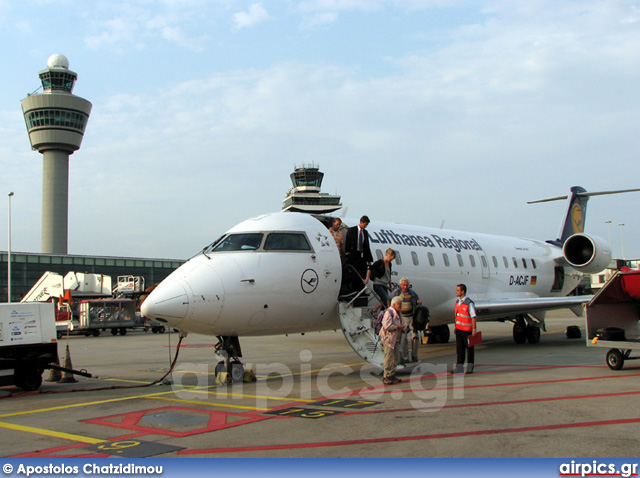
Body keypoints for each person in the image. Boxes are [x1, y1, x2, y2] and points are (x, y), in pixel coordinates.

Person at [390, 278, 422, 363]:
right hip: (402, 318)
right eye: (403, 285)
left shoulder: (412, 293)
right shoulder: (396, 293)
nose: (405, 287)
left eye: (406, 285)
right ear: (400, 285)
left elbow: (417, 301)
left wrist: (419, 303)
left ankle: (414, 355)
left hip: (411, 317)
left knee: (415, 337)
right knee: (404, 339)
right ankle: (405, 357)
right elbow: (390, 299)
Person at [451, 283, 478, 375]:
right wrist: (456, 327)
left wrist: (474, 329)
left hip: (467, 331)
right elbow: (457, 315)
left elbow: (473, 317)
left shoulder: (469, 303)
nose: (456, 292)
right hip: (459, 330)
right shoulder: (457, 302)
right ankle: (459, 368)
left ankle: (470, 368)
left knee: (469, 350)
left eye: (457, 290)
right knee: (459, 350)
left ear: (463, 292)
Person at [379, 296, 404, 385]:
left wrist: (403, 328)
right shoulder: (389, 313)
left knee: (395, 358)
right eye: (399, 304)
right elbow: (387, 326)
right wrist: (398, 327)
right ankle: (386, 376)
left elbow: (401, 322)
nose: (401, 306)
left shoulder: (398, 313)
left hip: (396, 339)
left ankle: (392, 374)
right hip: (389, 339)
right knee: (389, 357)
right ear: (394, 304)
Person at [364, 248, 395, 314]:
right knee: (386, 299)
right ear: (388, 256)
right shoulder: (380, 262)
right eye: (391, 258)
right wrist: (367, 278)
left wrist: (390, 286)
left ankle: (381, 311)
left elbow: (389, 276)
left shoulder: (389, 264)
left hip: (384, 285)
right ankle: (386, 313)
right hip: (378, 284)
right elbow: (370, 269)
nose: (391, 260)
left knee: (385, 300)